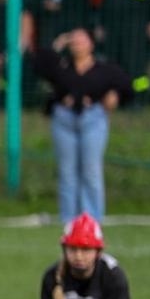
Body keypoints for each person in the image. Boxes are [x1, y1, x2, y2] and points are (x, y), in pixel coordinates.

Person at [35, 28, 133, 224]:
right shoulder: (62, 67)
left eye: (81, 40)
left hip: (92, 119)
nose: (77, 44)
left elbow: (127, 87)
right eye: (74, 41)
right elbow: (40, 64)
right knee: (67, 172)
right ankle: (69, 221)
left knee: (91, 171)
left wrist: (115, 96)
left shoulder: (104, 70)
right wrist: (58, 43)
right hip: (64, 119)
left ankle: (91, 220)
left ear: (91, 44)